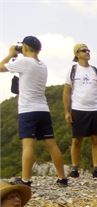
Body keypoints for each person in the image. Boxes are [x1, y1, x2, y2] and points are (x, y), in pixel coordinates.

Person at [0, 36, 68, 187]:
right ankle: (62, 178)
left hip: (28, 110)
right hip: (43, 110)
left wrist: (11, 54)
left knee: (28, 145)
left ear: (24, 47)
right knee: (51, 144)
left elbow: (0, 67)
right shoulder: (42, 65)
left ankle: (26, 180)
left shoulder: (24, 62)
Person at [63, 43, 97, 179]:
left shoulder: (95, 70)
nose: (87, 52)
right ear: (77, 54)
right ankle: (75, 169)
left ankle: (96, 170)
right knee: (77, 140)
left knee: (96, 139)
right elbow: (66, 92)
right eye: (84, 50)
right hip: (78, 109)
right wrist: (67, 111)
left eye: (88, 50)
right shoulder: (72, 70)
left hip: (95, 109)